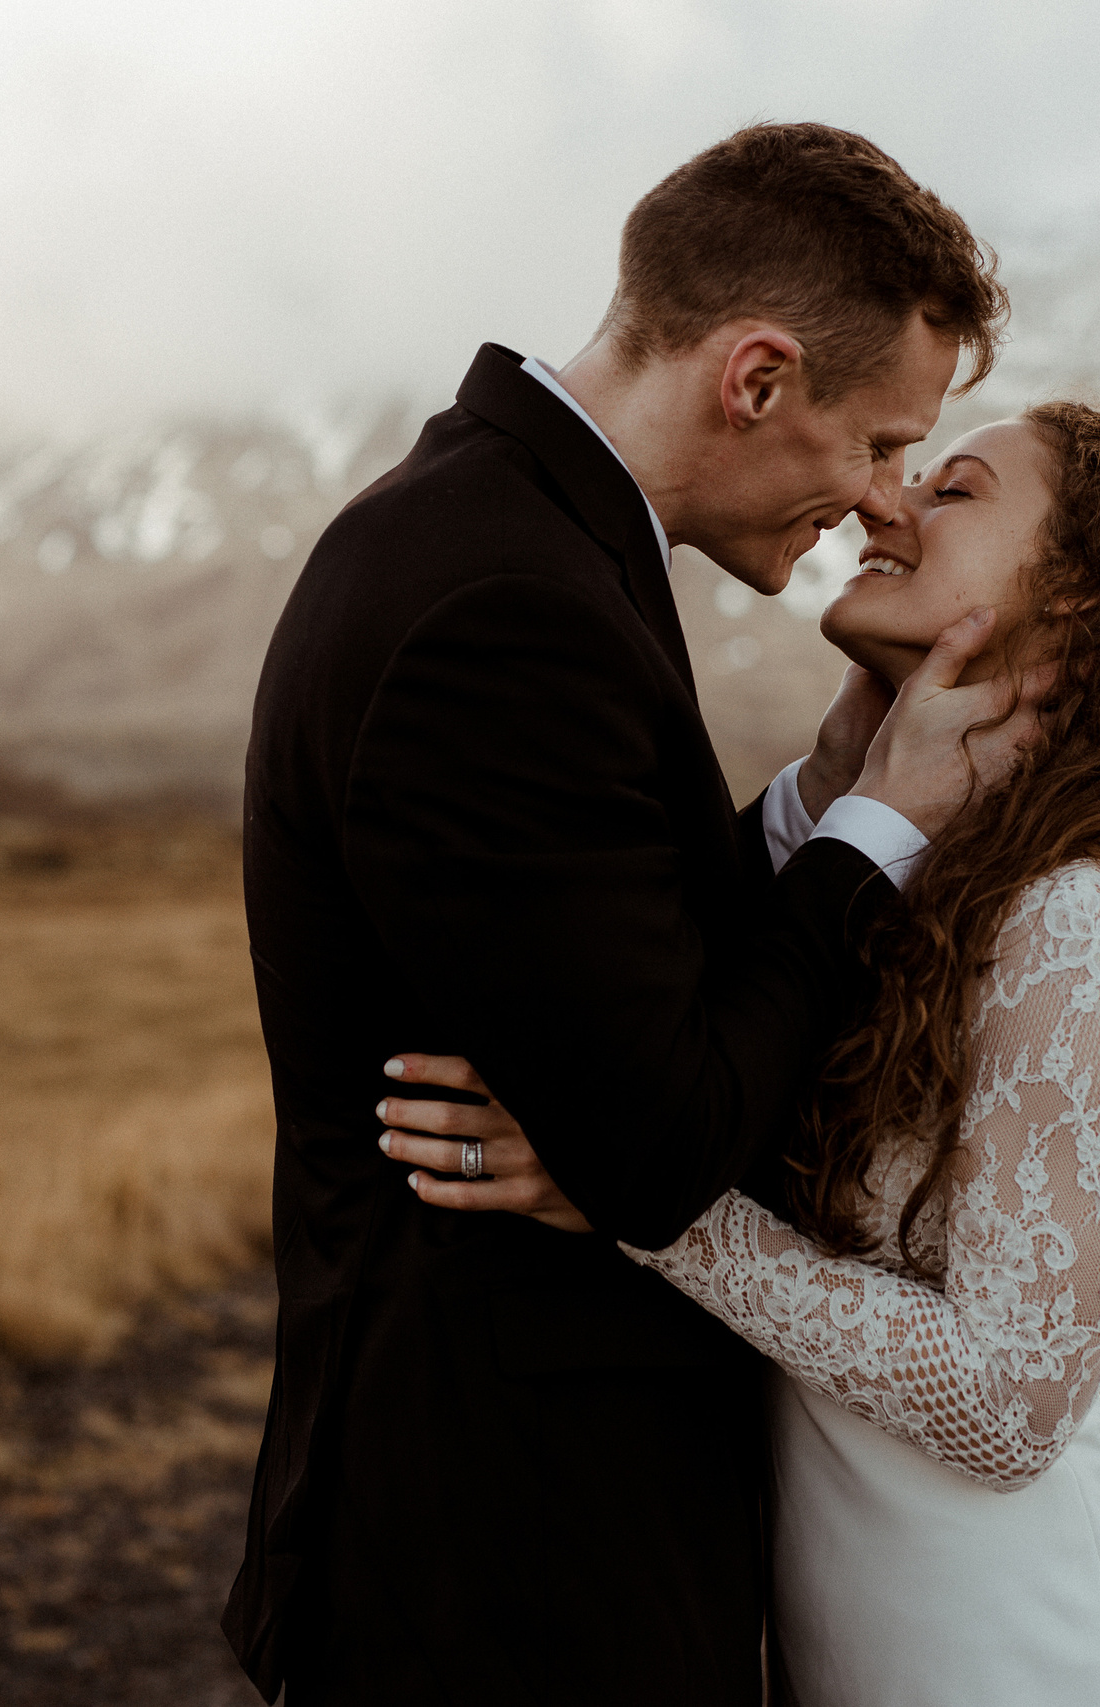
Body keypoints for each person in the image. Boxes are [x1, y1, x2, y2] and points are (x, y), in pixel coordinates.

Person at [221, 123, 1026, 1706]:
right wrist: (885, 828)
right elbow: (656, 1147)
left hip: (514, 1519)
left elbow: (599, 934)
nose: (878, 501)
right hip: (510, 1557)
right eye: (877, 442)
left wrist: (820, 789)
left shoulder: (514, 530)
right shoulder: (501, 599)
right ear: (756, 377)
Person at [381, 402, 1100, 1705]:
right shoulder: (899, 888)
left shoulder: (1084, 928)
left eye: (954, 491)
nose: (881, 504)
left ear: (1074, 599)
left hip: (1023, 1663)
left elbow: (1011, 1405)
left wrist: (647, 1202)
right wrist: (835, 782)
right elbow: (692, 1012)